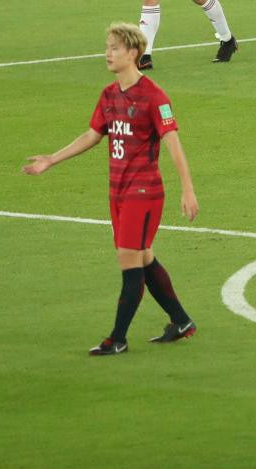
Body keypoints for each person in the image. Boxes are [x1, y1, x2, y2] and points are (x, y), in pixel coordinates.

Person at [23, 23, 200, 355]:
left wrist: (187, 190)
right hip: (117, 192)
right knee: (143, 258)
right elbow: (93, 134)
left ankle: (117, 338)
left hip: (144, 193)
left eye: (115, 47)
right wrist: (52, 159)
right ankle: (181, 321)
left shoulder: (155, 96)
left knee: (128, 260)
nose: (108, 53)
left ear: (133, 53)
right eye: (107, 46)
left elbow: (173, 143)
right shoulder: (108, 95)